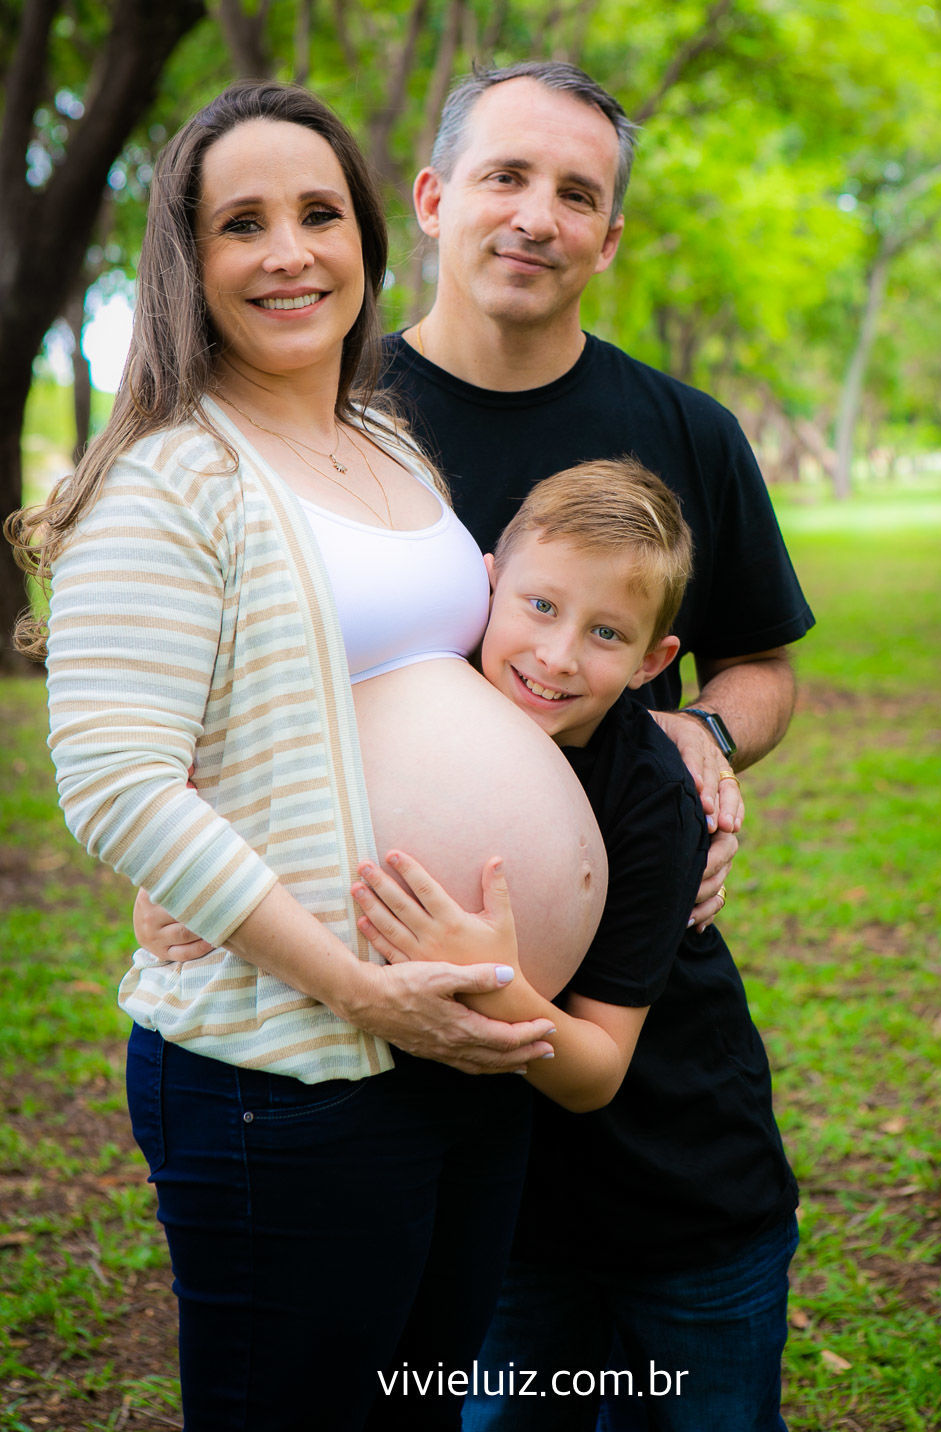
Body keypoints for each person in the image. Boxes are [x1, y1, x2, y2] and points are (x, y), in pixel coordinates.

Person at [6, 79, 621, 1432]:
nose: (289, 251)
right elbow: (117, 780)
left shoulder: (387, 442)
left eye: (318, 214)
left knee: (417, 1405)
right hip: (292, 1064)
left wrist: (686, 748)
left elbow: (429, 686)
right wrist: (360, 987)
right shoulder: (163, 480)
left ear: (364, 238)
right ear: (186, 263)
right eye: (243, 223)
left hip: (465, 1045)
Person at [374, 61, 813, 1430]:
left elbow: (764, 667)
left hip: (654, 1057)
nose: (537, 215)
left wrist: (697, 739)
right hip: (404, 1071)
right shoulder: (332, 427)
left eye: (578, 193)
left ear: (609, 238)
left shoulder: (687, 431)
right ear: (436, 198)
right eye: (506, 176)